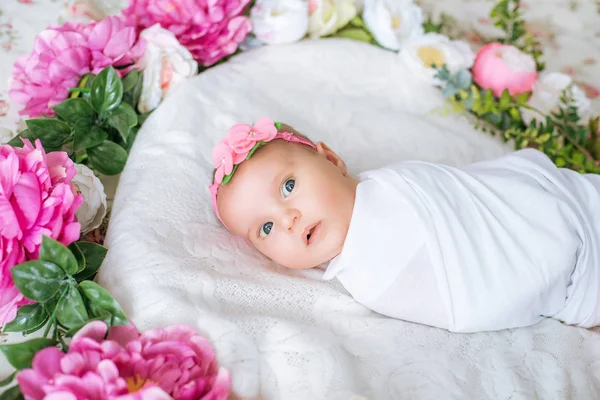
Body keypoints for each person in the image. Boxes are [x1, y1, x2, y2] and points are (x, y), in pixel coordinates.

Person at [209, 118, 600, 333]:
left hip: (568, 207)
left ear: (332, 160)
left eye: (289, 187)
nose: (287, 220)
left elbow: (475, 199)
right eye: (265, 229)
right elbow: (477, 297)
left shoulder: (393, 187)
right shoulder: (360, 279)